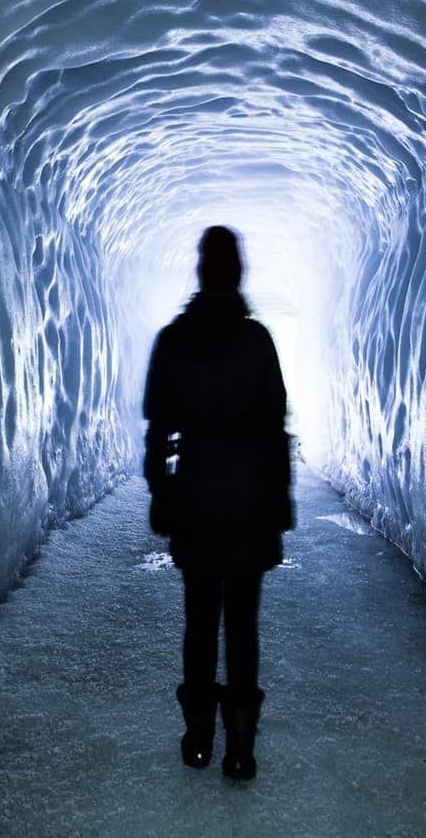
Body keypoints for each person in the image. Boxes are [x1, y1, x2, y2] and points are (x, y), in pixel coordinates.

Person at [142, 226, 294, 780]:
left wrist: (161, 493)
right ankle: (240, 747)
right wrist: (281, 500)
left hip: (198, 498)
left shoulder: (174, 339)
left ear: (201, 271)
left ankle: (199, 738)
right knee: (243, 624)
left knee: (200, 619)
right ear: (238, 272)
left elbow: (159, 428)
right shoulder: (257, 342)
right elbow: (276, 429)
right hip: (250, 498)